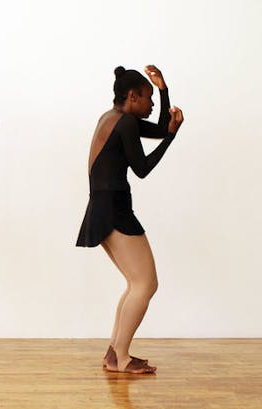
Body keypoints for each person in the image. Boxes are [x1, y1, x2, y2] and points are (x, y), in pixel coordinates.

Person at [76, 65, 184, 373]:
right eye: (148, 98)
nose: (151, 106)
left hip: (105, 205)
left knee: (136, 283)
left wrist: (163, 91)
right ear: (132, 96)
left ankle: (115, 354)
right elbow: (142, 168)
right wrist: (171, 139)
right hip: (114, 208)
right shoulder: (123, 124)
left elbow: (163, 127)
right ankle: (121, 357)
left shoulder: (114, 119)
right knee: (146, 283)